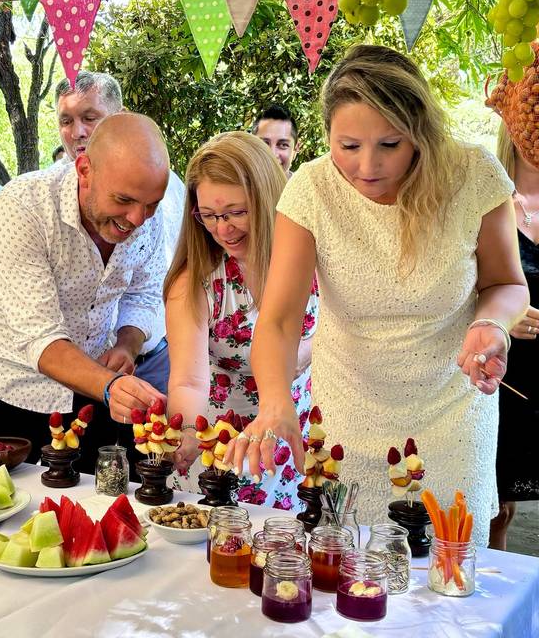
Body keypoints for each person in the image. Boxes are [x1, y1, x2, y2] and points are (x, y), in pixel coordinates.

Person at [227, 45, 528, 546]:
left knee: (449, 580)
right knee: (353, 576)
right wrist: (276, 402)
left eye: (390, 143)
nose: (367, 166)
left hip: (452, 415)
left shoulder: (473, 176)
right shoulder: (310, 190)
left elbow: (507, 284)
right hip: (346, 418)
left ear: (420, 132)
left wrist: (490, 325)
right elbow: (279, 321)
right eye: (348, 145)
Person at [0, 113, 169, 470]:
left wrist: (126, 345)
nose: (137, 219)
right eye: (124, 200)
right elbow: (40, 337)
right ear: (84, 168)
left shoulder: (145, 211)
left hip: (94, 393)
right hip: (8, 391)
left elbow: (144, 294)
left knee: (95, 514)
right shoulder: (22, 206)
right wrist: (108, 385)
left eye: (151, 205)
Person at [165, 132, 318, 508]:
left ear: (267, 200)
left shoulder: (312, 257)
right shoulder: (195, 281)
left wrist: (303, 354)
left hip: (295, 440)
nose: (223, 228)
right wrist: (186, 430)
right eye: (210, 216)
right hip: (221, 449)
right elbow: (188, 377)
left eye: (236, 212)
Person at [53, 71, 184, 394]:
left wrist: (129, 343)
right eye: (66, 121)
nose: (77, 132)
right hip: (76, 368)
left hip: (153, 354)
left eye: (90, 117)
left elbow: (156, 283)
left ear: (121, 118)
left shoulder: (168, 186)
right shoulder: (45, 197)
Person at [489, 123, 539, 550]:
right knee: (497, 511)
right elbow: (464, 288)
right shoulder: (488, 202)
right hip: (505, 380)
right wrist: (500, 317)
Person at [251, 104, 300, 178]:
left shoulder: (308, 188)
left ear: (296, 148)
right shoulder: (237, 187)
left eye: (283, 145)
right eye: (264, 144)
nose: (273, 154)